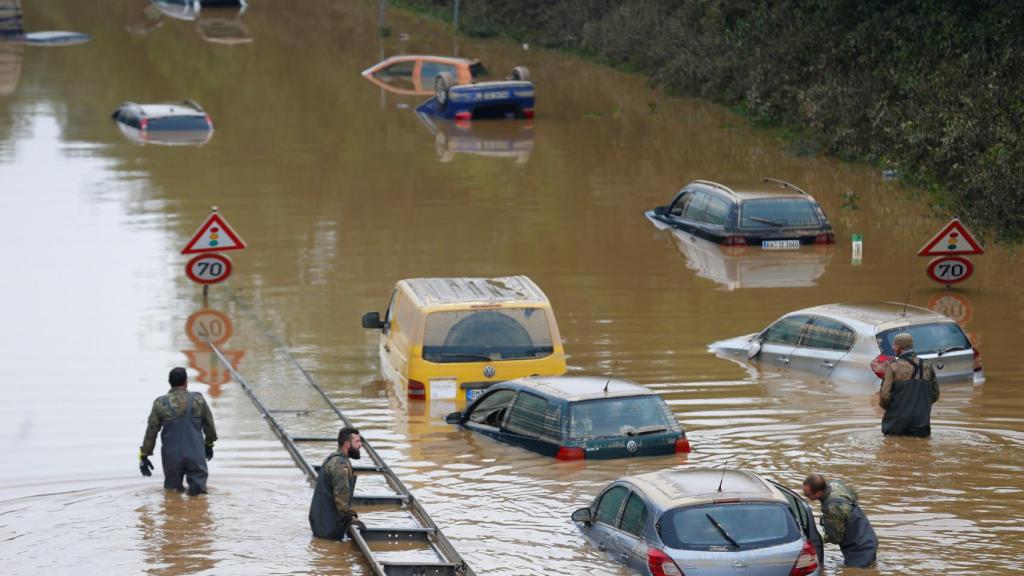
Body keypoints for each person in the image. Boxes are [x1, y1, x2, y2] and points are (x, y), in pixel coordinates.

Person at [139, 367, 218, 495]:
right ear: (186, 382)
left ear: (170, 382)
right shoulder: (198, 400)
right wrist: (209, 445)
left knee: (172, 494)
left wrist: (144, 455)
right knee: (199, 496)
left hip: (171, 457)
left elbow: (151, 432)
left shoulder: (160, 403)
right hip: (196, 454)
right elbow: (210, 427)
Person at [802, 474, 878, 567]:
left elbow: (835, 538)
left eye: (807, 494)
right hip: (869, 536)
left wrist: (818, 539)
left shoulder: (832, 509)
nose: (805, 496)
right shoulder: (835, 484)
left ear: (817, 493)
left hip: (859, 549)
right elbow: (854, 495)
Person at [309, 426, 367, 540]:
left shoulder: (334, 459)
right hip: (329, 528)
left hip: (321, 523)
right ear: (347, 444)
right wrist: (353, 518)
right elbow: (341, 501)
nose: (360, 445)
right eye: (357, 441)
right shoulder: (340, 465)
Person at [880, 332, 939, 437]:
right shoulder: (927, 365)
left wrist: (894, 409)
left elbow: (884, 396)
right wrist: (920, 406)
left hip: (896, 423)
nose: (893, 348)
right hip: (921, 422)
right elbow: (935, 394)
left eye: (895, 345)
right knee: (921, 450)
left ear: (900, 347)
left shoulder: (893, 367)